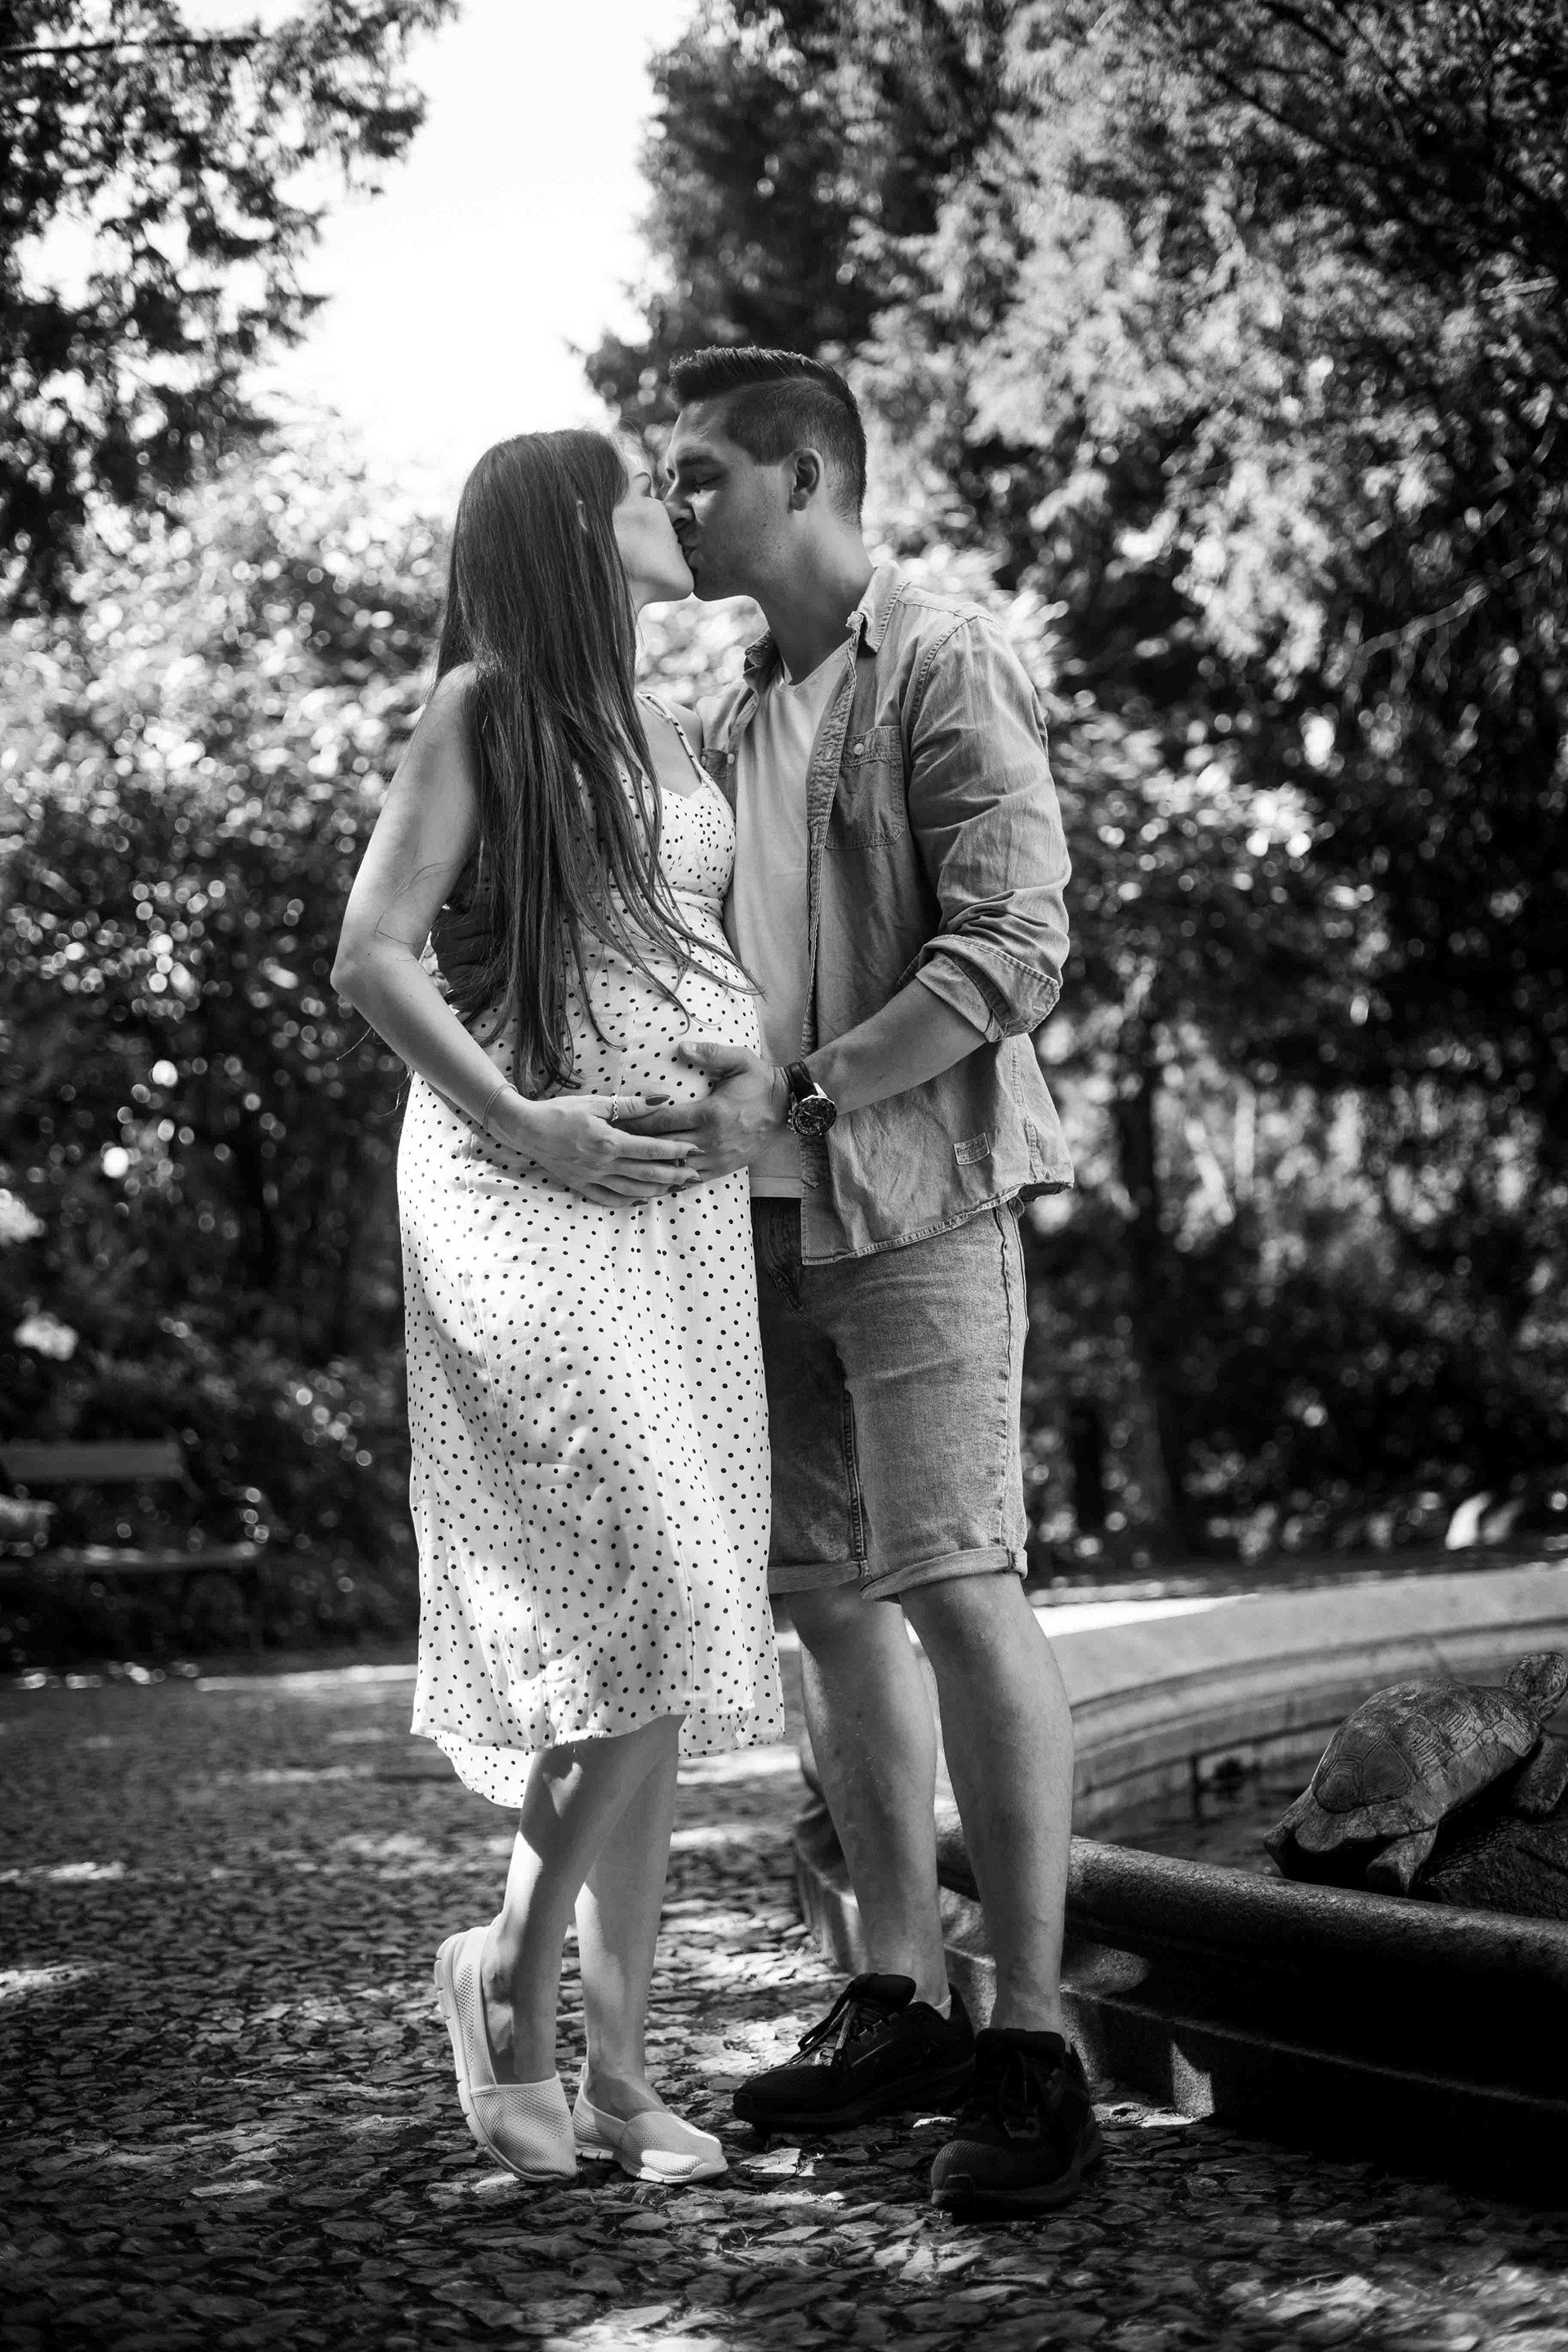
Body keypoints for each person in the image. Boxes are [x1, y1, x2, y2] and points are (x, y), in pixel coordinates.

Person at [639, 346, 1101, 2219]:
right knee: (827, 1604)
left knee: (959, 1586)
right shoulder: (734, 712)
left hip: (911, 1203)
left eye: (699, 473)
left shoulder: (942, 659)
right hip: (746, 1225)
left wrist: (817, 1088)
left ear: (806, 474)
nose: (673, 505)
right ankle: (896, 2001)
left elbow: (1013, 948)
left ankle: (1035, 2041)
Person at [332, 429, 782, 2188]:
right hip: (523, 1198)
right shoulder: (486, 709)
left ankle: (615, 2070)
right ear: (572, 533)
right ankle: (510, 1995)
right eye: (639, 493)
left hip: (676, 1221)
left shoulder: (664, 722)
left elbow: (695, 954)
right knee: (650, 1587)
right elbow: (374, 952)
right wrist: (524, 1120)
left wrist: (746, 1097)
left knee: (659, 1634)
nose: (669, 512)